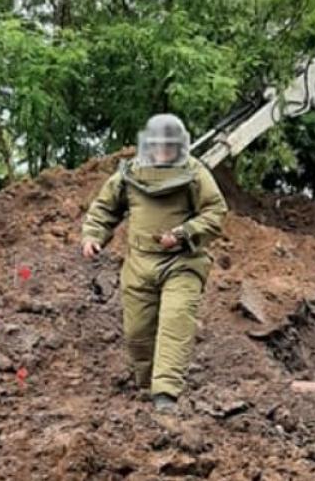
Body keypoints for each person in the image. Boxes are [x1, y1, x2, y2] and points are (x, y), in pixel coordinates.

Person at [79, 114, 228, 414]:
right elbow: (105, 207)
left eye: (169, 146)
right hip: (139, 263)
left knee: (175, 324)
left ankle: (166, 395)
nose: (163, 152)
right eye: (158, 146)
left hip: (182, 263)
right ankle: (145, 387)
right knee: (137, 333)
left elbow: (216, 212)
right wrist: (93, 235)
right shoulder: (130, 173)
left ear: (179, 146)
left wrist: (185, 233)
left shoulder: (195, 173)